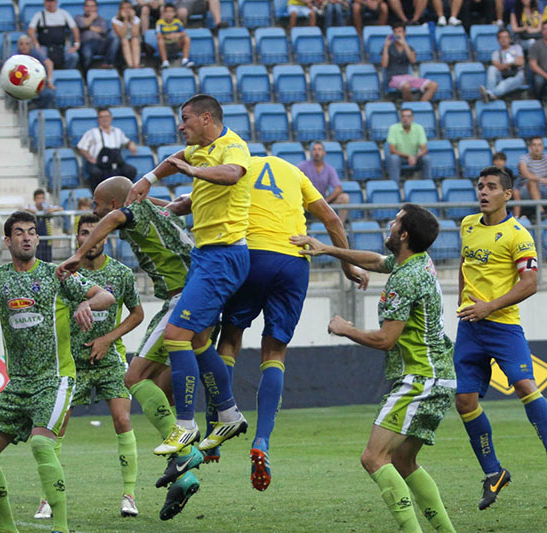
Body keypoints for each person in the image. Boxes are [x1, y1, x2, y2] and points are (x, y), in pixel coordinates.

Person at [0, 210, 116, 533]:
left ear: (38, 239)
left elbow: (105, 295)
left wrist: (87, 303)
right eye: (19, 232)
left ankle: (62, 527)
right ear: (7, 240)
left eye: (31, 231)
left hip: (55, 379)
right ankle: (7, 528)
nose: (26, 236)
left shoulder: (58, 274)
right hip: (18, 384)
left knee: (42, 445)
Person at [291, 204, 457, 533]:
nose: (389, 226)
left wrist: (345, 328)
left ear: (404, 234)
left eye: (394, 222)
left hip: (419, 379)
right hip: (439, 377)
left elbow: (385, 340)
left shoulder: (405, 280)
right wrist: (327, 248)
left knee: (374, 458)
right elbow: (376, 261)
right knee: (403, 461)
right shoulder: (417, 262)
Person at [213, 156, 368, 489]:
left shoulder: (239, 168)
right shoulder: (296, 173)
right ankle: (262, 441)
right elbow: (331, 219)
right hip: (293, 260)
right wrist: (345, 265)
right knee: (275, 350)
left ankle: (218, 422)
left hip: (251, 256)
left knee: (229, 339)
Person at [57, 175, 199, 521]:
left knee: (133, 379)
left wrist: (76, 255)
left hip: (183, 299)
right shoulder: (157, 210)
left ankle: (184, 451)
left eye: (96, 204)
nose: (95, 211)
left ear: (111, 204)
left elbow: (117, 216)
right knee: (160, 392)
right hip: (207, 293)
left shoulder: (125, 220)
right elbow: (171, 206)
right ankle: (185, 474)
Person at [127, 95, 250, 459]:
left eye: (185, 119)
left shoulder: (232, 146)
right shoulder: (201, 149)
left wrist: (193, 174)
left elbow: (233, 175)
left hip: (224, 256)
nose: (181, 126)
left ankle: (185, 425)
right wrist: (148, 179)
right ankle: (227, 413)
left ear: (206, 118)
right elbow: (173, 161)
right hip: (207, 254)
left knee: (176, 334)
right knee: (196, 339)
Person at [35, 214, 144, 520]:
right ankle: (48, 498)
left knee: (122, 420)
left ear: (105, 238)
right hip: (73, 363)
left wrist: (108, 339)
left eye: (95, 234)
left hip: (110, 359)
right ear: (77, 239)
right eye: (84, 234)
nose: (90, 239)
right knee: (56, 428)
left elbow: (137, 314)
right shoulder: (66, 275)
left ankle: (129, 495)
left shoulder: (121, 274)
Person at [453, 166, 547, 510]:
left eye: (491, 187)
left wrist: (489, 306)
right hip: (470, 327)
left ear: (507, 195)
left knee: (524, 385)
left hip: (503, 325)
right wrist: (464, 304)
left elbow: (530, 283)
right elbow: (465, 266)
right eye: (480, 186)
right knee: (464, 400)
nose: (483, 192)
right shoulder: (467, 226)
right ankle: (494, 472)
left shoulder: (519, 235)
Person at [77, 107, 138, 190]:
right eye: (101, 117)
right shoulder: (92, 132)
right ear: (98, 119)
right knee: (95, 173)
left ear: (111, 118)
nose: (104, 119)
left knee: (130, 170)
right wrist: (90, 158)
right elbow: (81, 147)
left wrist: (131, 144)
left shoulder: (118, 132)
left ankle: (124, 193)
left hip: (115, 162)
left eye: (106, 116)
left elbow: (126, 142)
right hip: (98, 163)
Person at [382, 22, 438, 102]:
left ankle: (420, 106)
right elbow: (384, 64)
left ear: (405, 33)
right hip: (393, 78)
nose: (397, 34)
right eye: (395, 32)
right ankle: (409, 106)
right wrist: (386, 46)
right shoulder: (388, 47)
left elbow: (413, 60)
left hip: (407, 77)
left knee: (433, 85)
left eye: (400, 32)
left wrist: (404, 44)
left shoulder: (409, 47)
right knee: (406, 86)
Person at [297, 142, 350, 222]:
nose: (317, 152)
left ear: (324, 153)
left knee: (344, 198)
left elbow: (338, 188)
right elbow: (293, 176)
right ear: (311, 152)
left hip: (323, 200)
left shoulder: (329, 169)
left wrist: (326, 201)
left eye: (319, 149)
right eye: (314, 150)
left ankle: (341, 228)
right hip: (306, 201)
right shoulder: (303, 166)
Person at [27, 0, 81, 70]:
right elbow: (31, 30)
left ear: (56, 2)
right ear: (44, 3)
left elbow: (74, 28)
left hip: (61, 47)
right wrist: (36, 44)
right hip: (44, 47)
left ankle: (65, 73)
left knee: (73, 56)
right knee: (39, 56)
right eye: (48, 1)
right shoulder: (39, 15)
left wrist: (76, 44)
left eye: (52, 1)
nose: (50, 4)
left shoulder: (64, 14)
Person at [386, 108, 431, 183]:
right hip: (400, 158)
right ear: (400, 118)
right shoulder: (393, 128)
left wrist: (414, 157)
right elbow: (392, 150)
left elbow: (424, 149)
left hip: (416, 157)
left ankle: (428, 184)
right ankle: (394, 185)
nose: (405, 119)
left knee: (427, 158)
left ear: (412, 118)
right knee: (394, 158)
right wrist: (409, 156)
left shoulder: (419, 128)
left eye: (408, 116)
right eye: (403, 116)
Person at [480, 29, 526, 101]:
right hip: (502, 75)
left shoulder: (517, 48)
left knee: (506, 83)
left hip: (517, 75)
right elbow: (498, 66)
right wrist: (512, 63)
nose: (503, 40)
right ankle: (490, 93)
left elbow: (521, 62)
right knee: (491, 68)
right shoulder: (495, 53)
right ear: (498, 40)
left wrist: (507, 64)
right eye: (501, 37)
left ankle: (489, 93)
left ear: (509, 38)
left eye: (505, 37)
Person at [15, 35, 56, 109]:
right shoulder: (14, 56)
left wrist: (50, 81)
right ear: (18, 46)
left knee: (49, 94)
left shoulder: (35, 53)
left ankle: (37, 107)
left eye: (27, 44)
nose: (24, 46)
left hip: (36, 82)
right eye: (21, 44)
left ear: (30, 45)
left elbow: (49, 63)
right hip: (22, 84)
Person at [75, 0, 119, 70]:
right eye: (87, 6)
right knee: (87, 54)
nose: (89, 9)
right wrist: (92, 18)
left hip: (100, 43)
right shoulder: (78, 17)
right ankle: (86, 73)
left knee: (114, 37)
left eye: (92, 6)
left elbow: (103, 31)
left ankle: (107, 63)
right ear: (84, 8)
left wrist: (88, 27)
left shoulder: (101, 20)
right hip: (86, 43)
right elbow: (82, 24)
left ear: (96, 8)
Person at [25, 188, 62, 262]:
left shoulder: (47, 207)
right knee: (37, 256)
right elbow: (23, 208)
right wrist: (31, 211)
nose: (40, 200)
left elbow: (60, 208)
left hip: (47, 236)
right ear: (34, 199)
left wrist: (52, 210)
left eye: (42, 198)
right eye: (38, 198)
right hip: (36, 235)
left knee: (47, 257)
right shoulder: (32, 207)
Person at [155, 4, 193, 69]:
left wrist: (176, 35)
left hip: (176, 44)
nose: (169, 14)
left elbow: (184, 33)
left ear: (174, 13)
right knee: (160, 40)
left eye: (171, 12)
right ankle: (165, 62)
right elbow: (158, 35)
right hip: (166, 45)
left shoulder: (177, 22)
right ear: (164, 13)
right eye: (167, 12)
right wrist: (167, 36)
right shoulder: (159, 23)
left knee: (187, 38)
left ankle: (185, 60)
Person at [518, 137, 547, 210]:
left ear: (543, 147)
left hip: (544, 188)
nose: (537, 148)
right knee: (532, 182)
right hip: (527, 190)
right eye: (534, 145)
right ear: (530, 147)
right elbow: (525, 173)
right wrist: (541, 179)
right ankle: (540, 211)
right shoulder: (524, 158)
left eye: (539, 145)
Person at [112, 1, 142, 69]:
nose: (126, 10)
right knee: (124, 40)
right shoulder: (115, 20)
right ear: (120, 10)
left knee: (135, 40)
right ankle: (130, 65)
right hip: (120, 44)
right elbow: (122, 35)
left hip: (134, 41)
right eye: (123, 8)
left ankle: (136, 65)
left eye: (128, 8)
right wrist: (125, 19)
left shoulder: (136, 19)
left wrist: (132, 19)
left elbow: (135, 34)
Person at [493, 152, 521, 218]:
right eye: (497, 160)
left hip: (506, 190)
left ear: (505, 162)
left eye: (501, 160)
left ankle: (517, 217)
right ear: (493, 162)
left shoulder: (509, 172)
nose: (499, 162)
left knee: (516, 192)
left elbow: (511, 184)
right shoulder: (490, 172)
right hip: (495, 191)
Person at [529, 25, 547, 99]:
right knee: (538, 81)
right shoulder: (536, 45)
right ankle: (539, 101)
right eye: (545, 29)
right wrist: (545, 75)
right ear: (542, 31)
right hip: (541, 73)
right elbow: (533, 65)